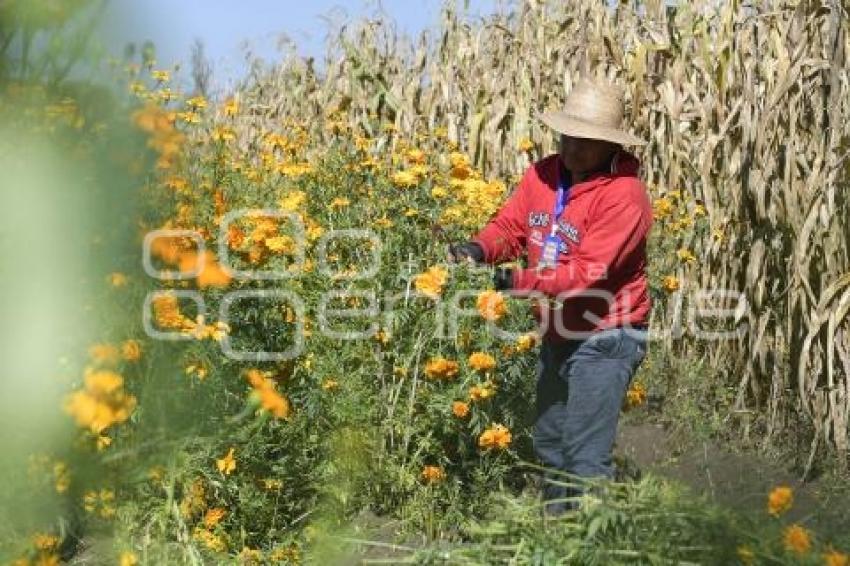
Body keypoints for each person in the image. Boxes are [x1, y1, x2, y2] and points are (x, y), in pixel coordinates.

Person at [447, 77, 653, 516]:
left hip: (608, 334)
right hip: (558, 329)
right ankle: (558, 540)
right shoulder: (543, 174)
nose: (573, 147)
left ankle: (596, 546)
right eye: (568, 136)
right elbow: (510, 228)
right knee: (550, 442)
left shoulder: (625, 197)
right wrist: (479, 249)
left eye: (587, 141)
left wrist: (514, 282)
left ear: (610, 146)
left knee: (583, 456)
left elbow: (585, 275)